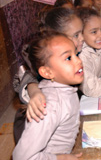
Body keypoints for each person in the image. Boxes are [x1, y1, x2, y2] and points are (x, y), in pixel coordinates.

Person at [12, 31, 84, 160]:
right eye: (68, 58)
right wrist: (60, 158)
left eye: (76, 53)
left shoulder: (66, 86)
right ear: (47, 72)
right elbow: (21, 157)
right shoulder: (50, 107)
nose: (78, 60)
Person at [15, 7, 84, 127]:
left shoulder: (76, 51)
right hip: (38, 126)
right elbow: (29, 77)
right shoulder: (44, 59)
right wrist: (35, 91)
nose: (82, 38)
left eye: (82, 32)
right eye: (76, 35)